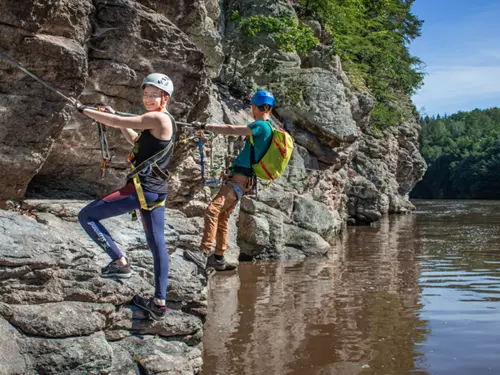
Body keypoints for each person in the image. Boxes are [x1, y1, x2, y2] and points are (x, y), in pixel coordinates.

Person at [69, 73, 176, 321]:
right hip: (156, 190)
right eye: (146, 94)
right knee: (157, 243)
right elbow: (136, 140)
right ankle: (159, 303)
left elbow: (117, 121)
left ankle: (120, 262)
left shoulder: (157, 117)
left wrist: (85, 110)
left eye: (154, 95)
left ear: (165, 97)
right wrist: (111, 115)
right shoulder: (162, 121)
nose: (148, 99)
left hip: (141, 188)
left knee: (87, 216)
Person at [184, 90, 275, 272]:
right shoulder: (271, 127)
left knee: (212, 210)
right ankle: (218, 257)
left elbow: (233, 130)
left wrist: (206, 126)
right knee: (223, 217)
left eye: (252, 107)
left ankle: (203, 253)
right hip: (244, 179)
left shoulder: (261, 126)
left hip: (240, 178)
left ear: (255, 107)